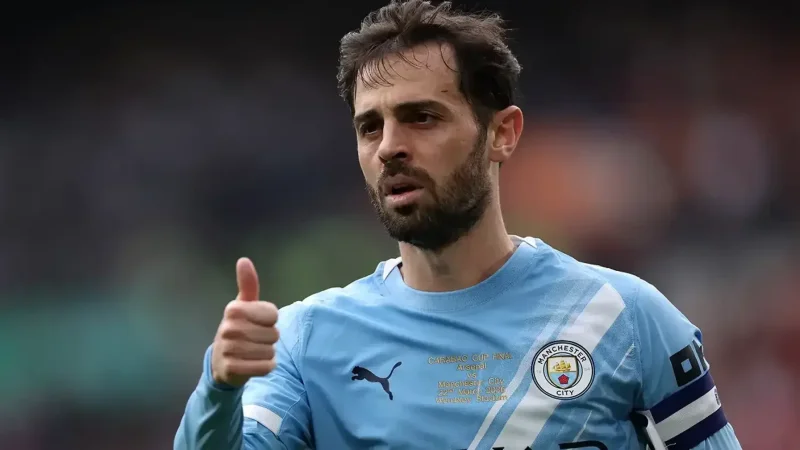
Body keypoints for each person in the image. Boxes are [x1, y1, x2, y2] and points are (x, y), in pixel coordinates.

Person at [174, 1, 742, 449]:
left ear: (502, 133)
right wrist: (219, 389)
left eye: (422, 117)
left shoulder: (624, 318)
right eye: (370, 128)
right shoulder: (302, 342)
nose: (390, 147)